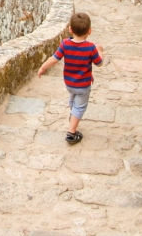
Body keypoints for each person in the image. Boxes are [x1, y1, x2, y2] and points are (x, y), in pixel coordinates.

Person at [37, 12, 104, 144]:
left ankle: (73, 116)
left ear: (70, 29)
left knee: (73, 100)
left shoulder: (65, 44)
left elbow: (54, 59)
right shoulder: (91, 47)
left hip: (69, 83)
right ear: (89, 31)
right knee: (80, 107)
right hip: (83, 86)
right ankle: (71, 133)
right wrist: (100, 50)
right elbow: (99, 63)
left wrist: (43, 67)